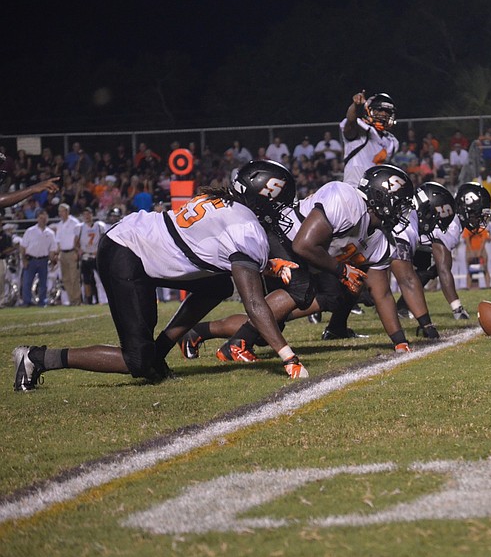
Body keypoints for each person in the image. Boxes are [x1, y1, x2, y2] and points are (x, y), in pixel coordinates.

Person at [12, 160, 307, 392]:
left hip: (138, 242)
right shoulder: (246, 228)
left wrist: (268, 264)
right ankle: (36, 358)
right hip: (128, 252)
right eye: (277, 202)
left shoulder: (224, 201)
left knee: (217, 284)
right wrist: (288, 357)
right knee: (137, 362)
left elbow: (213, 252)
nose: (279, 209)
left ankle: (159, 352)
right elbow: (254, 304)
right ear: (260, 197)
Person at [180, 164, 418, 358]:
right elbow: (303, 245)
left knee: (274, 326)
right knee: (301, 290)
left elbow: (383, 294)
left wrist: (400, 342)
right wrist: (342, 270)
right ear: (382, 196)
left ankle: (199, 332)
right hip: (279, 237)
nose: (403, 212)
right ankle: (236, 345)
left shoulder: (378, 241)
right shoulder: (348, 200)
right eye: (400, 203)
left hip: (298, 254)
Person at [395, 182, 469, 321]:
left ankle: (402, 306)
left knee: (427, 268)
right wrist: (457, 308)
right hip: (405, 242)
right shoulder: (452, 226)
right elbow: (444, 269)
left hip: (419, 244)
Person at [340, 91, 399, 186]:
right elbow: (351, 120)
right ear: (369, 110)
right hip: (354, 188)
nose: (384, 114)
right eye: (380, 110)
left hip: (375, 192)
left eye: (387, 112)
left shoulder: (392, 141)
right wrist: (355, 105)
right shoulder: (360, 128)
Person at [19, 209, 57, 308]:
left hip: (43, 260)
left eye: (44, 218)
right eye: (41, 218)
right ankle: (26, 301)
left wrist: (53, 262)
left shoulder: (50, 233)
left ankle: (42, 301)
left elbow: (52, 249)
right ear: (37, 219)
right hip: (31, 259)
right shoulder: (30, 231)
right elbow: (23, 247)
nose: (43, 220)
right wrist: (24, 260)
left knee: (43, 283)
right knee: (27, 282)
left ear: (47, 219)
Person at [458, 183, 491, 289]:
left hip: (480, 248)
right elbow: (467, 239)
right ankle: (468, 286)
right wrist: (471, 251)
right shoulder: (469, 225)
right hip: (471, 248)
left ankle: (488, 285)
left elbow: (484, 239)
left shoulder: (480, 224)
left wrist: (480, 251)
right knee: (470, 270)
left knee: (485, 268)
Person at [52, 203, 82, 305]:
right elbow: (58, 240)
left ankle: (77, 300)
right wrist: (58, 253)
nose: (60, 213)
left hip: (72, 252)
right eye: (59, 211)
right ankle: (72, 299)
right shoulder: (59, 225)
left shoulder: (74, 222)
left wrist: (76, 251)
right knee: (65, 278)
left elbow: (78, 237)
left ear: (67, 211)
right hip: (63, 253)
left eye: (62, 211)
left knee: (74, 277)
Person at [76, 207, 105, 304]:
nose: (87, 216)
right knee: (87, 280)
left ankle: (103, 298)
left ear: (92, 215)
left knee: (101, 279)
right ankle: (89, 300)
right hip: (86, 256)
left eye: (88, 214)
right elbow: (75, 243)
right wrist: (79, 250)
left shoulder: (99, 226)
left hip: (97, 256)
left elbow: (103, 240)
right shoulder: (80, 227)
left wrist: (99, 251)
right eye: (85, 214)